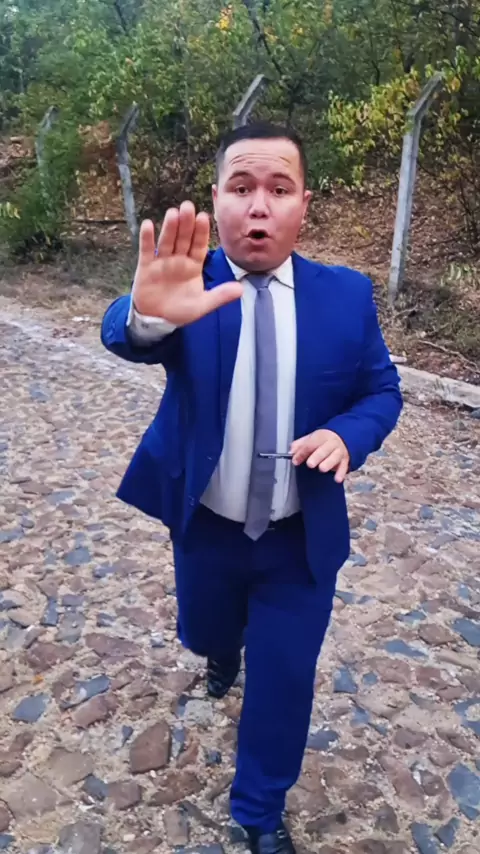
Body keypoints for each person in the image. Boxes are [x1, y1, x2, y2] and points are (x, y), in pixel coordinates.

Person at [101, 121, 403, 854]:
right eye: (241, 188)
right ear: (217, 200)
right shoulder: (190, 283)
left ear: (304, 205)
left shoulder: (346, 296)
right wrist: (145, 318)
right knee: (206, 631)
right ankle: (219, 650)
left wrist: (349, 435)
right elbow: (125, 332)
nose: (259, 206)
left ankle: (260, 812)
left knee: (285, 677)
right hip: (206, 525)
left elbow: (382, 391)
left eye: (278, 188)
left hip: (299, 537)